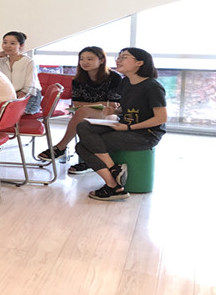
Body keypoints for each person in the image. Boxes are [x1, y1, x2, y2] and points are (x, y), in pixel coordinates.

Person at [75, 48, 167, 201]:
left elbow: (161, 118)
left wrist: (129, 127)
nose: (118, 60)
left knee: (82, 147)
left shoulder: (152, 87)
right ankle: (114, 170)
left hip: (145, 134)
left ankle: (113, 185)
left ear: (139, 63)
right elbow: (130, 108)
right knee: (83, 126)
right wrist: (116, 111)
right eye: (118, 57)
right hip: (125, 128)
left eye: (124, 57)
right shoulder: (126, 82)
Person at [37, 46, 122, 169]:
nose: (85, 62)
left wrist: (89, 105)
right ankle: (68, 151)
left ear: (102, 60)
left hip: (111, 114)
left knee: (82, 111)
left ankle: (61, 147)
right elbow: (77, 104)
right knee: (82, 113)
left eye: (90, 59)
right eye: (82, 59)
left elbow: (113, 105)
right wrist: (99, 103)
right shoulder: (78, 79)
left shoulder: (114, 77)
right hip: (87, 113)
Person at [0, 31, 42, 114]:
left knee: (7, 114)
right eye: (5, 42)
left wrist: (15, 99)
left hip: (29, 97)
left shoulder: (28, 62)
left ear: (21, 46)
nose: (7, 46)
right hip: (10, 98)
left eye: (12, 43)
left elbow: (29, 87)